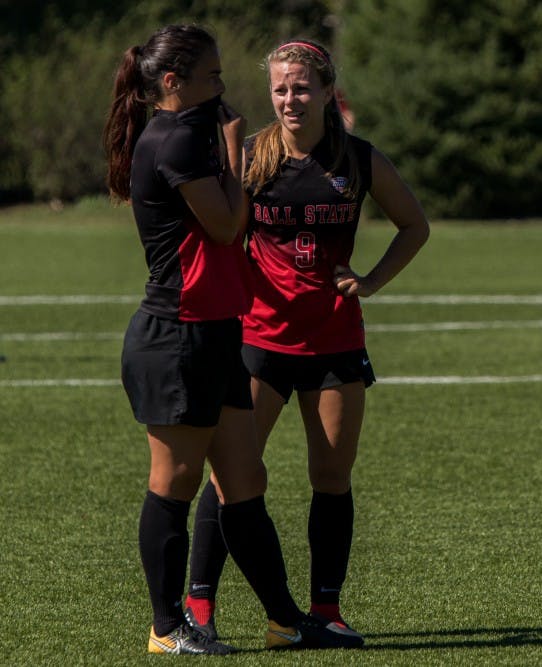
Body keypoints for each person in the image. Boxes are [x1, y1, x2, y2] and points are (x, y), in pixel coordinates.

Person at [103, 24, 364, 654]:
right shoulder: (173, 140)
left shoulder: (185, 134)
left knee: (245, 484)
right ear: (173, 83)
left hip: (218, 334)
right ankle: (169, 629)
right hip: (177, 337)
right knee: (174, 482)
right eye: (212, 75)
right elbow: (225, 227)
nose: (224, 87)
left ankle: (286, 620)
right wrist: (234, 149)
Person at [183, 38, 430, 646]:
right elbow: (214, 231)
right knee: (230, 480)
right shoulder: (251, 157)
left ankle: (325, 610)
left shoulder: (359, 159)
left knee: (331, 476)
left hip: (335, 343)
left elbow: (414, 225)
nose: (290, 98)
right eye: (280, 88)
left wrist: (369, 280)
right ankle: (199, 608)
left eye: (301, 87)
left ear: (325, 91)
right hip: (259, 345)